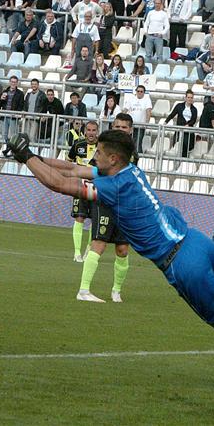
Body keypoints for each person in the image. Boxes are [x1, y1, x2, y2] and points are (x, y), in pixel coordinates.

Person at [3, 131, 214, 345]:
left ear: (111, 158)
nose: (91, 157)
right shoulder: (129, 171)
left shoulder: (112, 187)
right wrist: (32, 154)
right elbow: (72, 168)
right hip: (196, 239)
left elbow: (60, 183)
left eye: (97, 153)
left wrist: (25, 158)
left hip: (183, 264)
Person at [75, 113, 139, 303]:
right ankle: (84, 290)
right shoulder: (102, 149)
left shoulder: (133, 154)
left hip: (124, 206)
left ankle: (116, 291)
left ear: (130, 130)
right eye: (117, 127)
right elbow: (93, 171)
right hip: (105, 202)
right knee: (99, 244)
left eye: (124, 127)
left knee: (122, 249)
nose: (120, 130)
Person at [67, 120, 98, 263]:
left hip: (96, 188)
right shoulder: (78, 145)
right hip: (80, 187)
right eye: (89, 130)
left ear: (97, 132)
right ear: (85, 131)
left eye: (94, 130)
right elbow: (68, 161)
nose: (91, 133)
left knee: (94, 219)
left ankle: (89, 248)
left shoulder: (102, 147)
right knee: (79, 217)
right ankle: (76, 253)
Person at [165, 90, 198, 158]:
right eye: (188, 97)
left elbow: (193, 120)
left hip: (188, 131)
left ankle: (183, 161)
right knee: (178, 145)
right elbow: (172, 115)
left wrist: (188, 125)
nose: (190, 99)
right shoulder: (179, 106)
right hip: (179, 129)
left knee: (185, 146)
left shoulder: (194, 109)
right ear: (185, 98)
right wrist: (165, 122)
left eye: (191, 97)